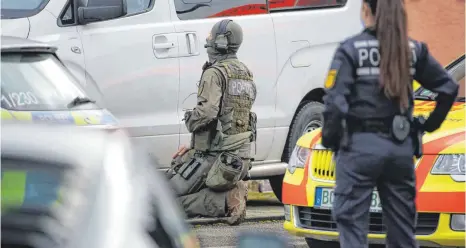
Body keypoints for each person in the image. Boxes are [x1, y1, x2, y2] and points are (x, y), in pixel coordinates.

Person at [321, 0, 459, 247]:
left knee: (352, 226)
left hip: (359, 148)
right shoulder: (414, 51)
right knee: (402, 232)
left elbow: (335, 104)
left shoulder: (351, 50)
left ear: (366, 10)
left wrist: (332, 142)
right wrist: (427, 126)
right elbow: (448, 88)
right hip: (400, 148)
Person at [169, 19, 257, 226]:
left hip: (215, 159)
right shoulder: (245, 73)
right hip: (238, 160)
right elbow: (231, 121)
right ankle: (226, 197)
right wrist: (192, 148)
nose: (207, 39)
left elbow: (208, 113)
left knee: (165, 202)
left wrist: (191, 122)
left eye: (211, 35)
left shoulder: (214, 73)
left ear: (221, 41)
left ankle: (228, 200)